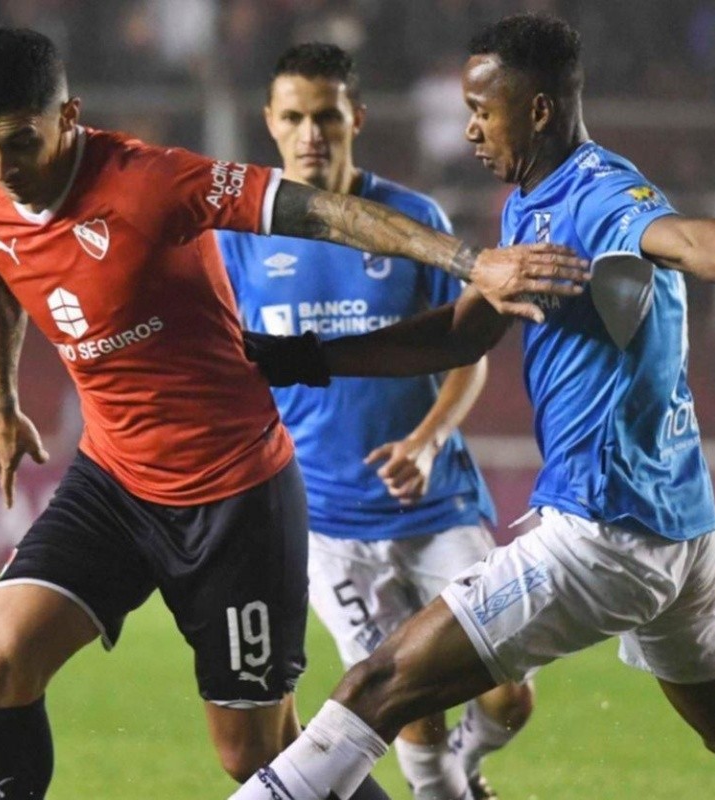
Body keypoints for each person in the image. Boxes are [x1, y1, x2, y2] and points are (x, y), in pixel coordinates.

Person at [0, 26, 588, 800]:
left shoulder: (151, 182)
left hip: (235, 500)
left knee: (253, 755)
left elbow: (323, 214)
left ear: (68, 117)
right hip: (114, 483)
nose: (3, 170)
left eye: (19, 144)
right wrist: (2, 401)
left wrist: (473, 263)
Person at [230, 12, 715, 799]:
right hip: (679, 528)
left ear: (540, 110)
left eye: (483, 110)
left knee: (378, 687)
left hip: (604, 529)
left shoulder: (598, 194)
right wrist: (311, 358)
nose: (471, 130)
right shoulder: (532, 199)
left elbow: (688, 242)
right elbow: (458, 336)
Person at [217, 42, 533, 800]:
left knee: (507, 697)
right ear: (270, 122)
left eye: (326, 115)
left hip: (435, 505)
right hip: (327, 524)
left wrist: (426, 443)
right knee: (411, 706)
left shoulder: (410, 221)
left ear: (354, 116)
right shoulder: (239, 241)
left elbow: (468, 352)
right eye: (293, 116)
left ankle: (467, 767)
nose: (310, 132)